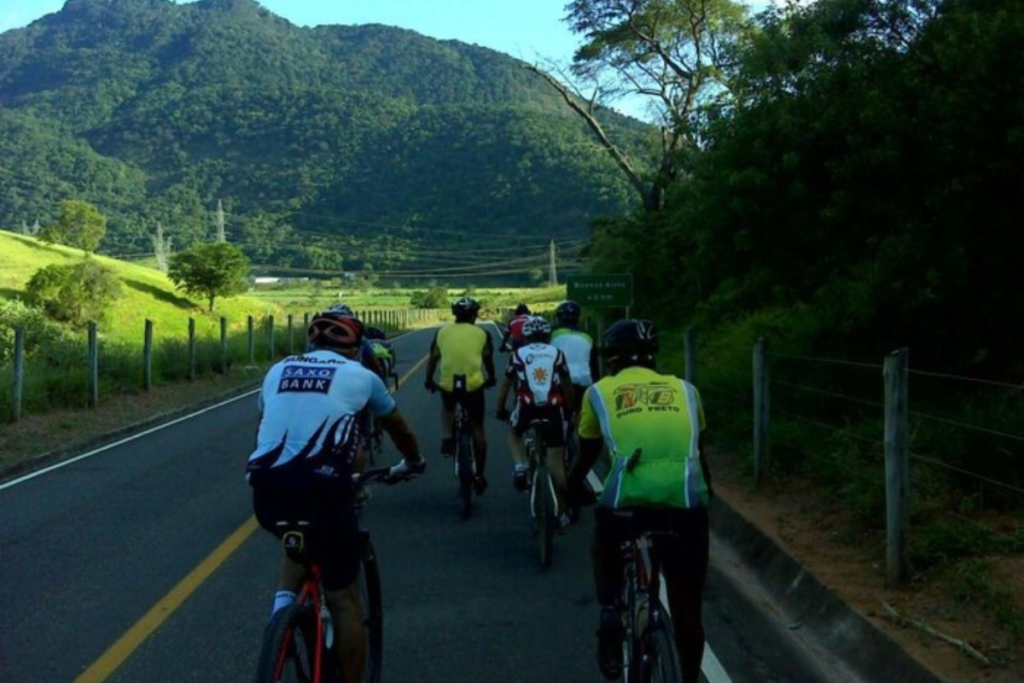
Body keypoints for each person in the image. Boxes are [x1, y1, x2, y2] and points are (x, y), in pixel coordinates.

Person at [247, 309, 426, 683]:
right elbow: (399, 429)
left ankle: (280, 615)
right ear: (356, 346)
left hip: (266, 490)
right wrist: (414, 462)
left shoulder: (276, 371)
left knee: (294, 537)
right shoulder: (362, 375)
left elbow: (269, 421)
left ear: (310, 343)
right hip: (325, 493)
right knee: (343, 599)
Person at [565, 319, 712, 683]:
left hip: (626, 503)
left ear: (611, 358)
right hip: (685, 504)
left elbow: (587, 453)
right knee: (688, 613)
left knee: (602, 541)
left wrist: (569, 490)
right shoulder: (687, 390)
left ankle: (610, 613)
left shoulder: (598, 392)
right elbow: (700, 455)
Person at [495, 316, 574, 527]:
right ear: (548, 336)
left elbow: (505, 385)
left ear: (526, 336)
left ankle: (520, 466)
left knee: (514, 432)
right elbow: (566, 384)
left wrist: (499, 408)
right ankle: (564, 513)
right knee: (556, 463)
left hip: (527, 406)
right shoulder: (557, 354)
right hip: (552, 407)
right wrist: (569, 408)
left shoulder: (518, 354)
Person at [424, 296, 497, 494]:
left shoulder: (442, 332)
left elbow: (433, 359)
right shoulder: (482, 333)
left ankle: (448, 437)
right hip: (473, 385)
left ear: (455, 314)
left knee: (447, 406)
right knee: (478, 428)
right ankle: (480, 474)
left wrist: (428, 380)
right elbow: (488, 359)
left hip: (448, 383)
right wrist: (492, 378)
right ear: (474, 315)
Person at [549, 300, 599, 419]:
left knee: (552, 411)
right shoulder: (588, 336)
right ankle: (578, 433)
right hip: (584, 380)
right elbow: (594, 365)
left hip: (558, 381)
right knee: (580, 412)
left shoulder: (551, 334)